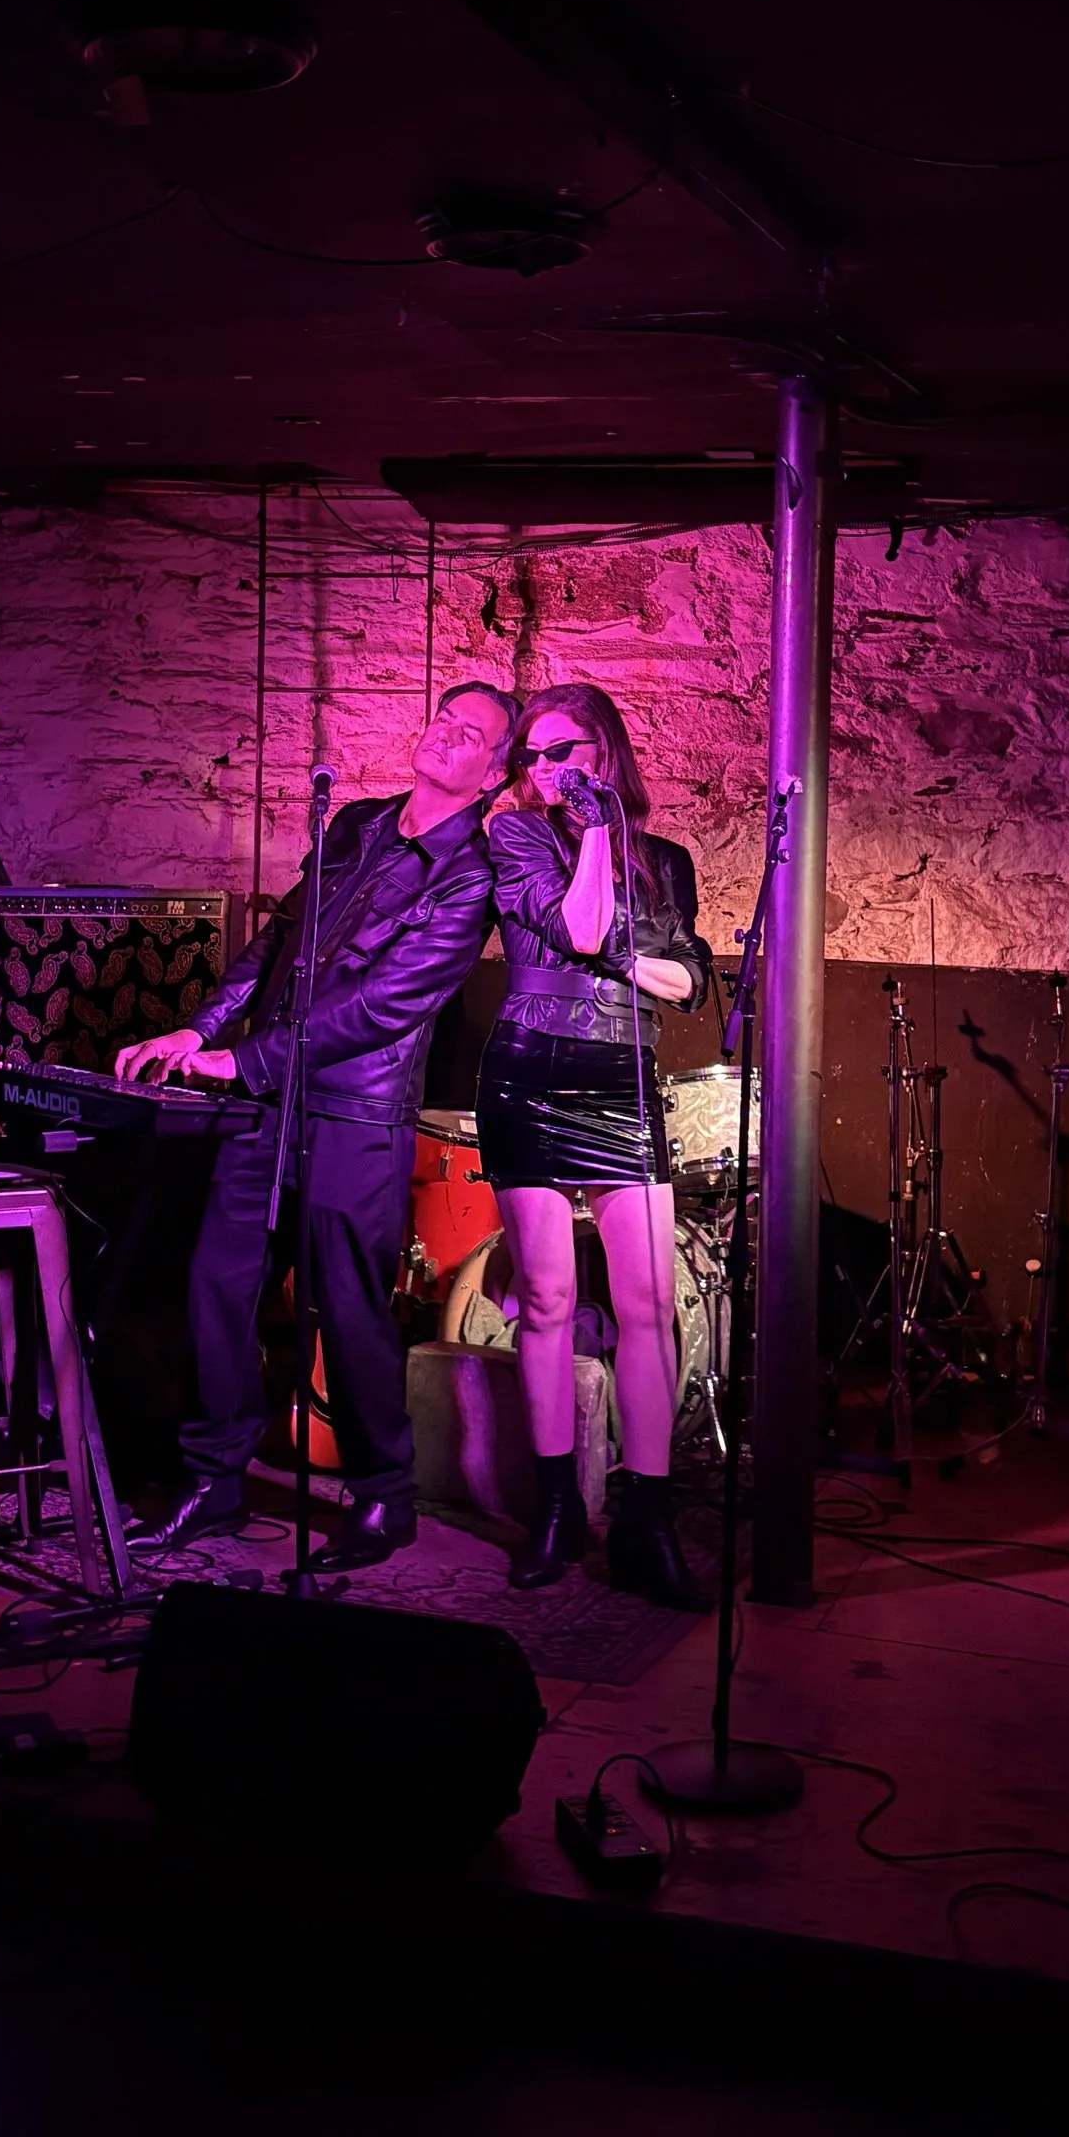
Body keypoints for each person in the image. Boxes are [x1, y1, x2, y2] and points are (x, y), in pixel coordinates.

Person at [117, 678, 515, 1573]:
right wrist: (203, 1025)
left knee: (349, 1309)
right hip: (267, 1100)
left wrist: (244, 1061)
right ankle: (213, 1479)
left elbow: (386, 1004)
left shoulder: (471, 876)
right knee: (218, 1286)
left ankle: (384, 1496)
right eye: (441, 718)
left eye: (469, 734)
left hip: (354, 1110)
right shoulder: (360, 823)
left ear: (493, 774)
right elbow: (278, 942)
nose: (444, 735)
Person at [478, 683, 714, 1609]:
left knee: (648, 1300)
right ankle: (553, 1510)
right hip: (531, 1069)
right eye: (532, 756)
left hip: (622, 1075)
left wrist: (629, 957)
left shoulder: (666, 860)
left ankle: (647, 1522)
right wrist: (586, 840)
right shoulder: (520, 836)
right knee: (546, 1297)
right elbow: (577, 927)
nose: (545, 769)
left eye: (563, 749)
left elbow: (690, 980)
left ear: (605, 750)